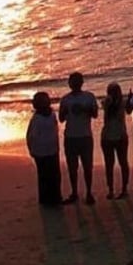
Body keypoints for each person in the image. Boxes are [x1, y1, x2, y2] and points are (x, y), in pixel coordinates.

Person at [58, 71, 98, 205]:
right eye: (72, 81)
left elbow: (95, 115)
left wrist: (85, 109)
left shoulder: (89, 97)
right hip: (70, 136)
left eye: (77, 81)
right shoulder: (65, 99)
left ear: (82, 82)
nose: (75, 84)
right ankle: (74, 192)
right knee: (72, 167)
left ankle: (89, 192)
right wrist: (65, 111)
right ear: (69, 83)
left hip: (85, 136)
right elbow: (61, 119)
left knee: (87, 166)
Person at [26, 91, 62, 207]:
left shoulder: (52, 115)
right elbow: (30, 135)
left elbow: (55, 131)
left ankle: (55, 198)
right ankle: (46, 200)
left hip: (52, 149)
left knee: (55, 175)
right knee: (44, 175)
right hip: (40, 151)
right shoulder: (36, 119)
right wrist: (31, 149)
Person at [100, 81, 130, 199]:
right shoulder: (106, 101)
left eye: (116, 91)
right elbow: (109, 110)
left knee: (123, 162)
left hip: (121, 135)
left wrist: (130, 99)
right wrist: (113, 100)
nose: (114, 93)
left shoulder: (123, 101)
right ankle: (111, 189)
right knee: (109, 164)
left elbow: (128, 110)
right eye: (112, 91)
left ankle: (124, 189)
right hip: (107, 136)